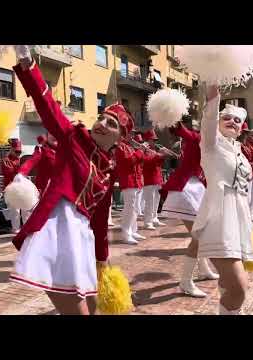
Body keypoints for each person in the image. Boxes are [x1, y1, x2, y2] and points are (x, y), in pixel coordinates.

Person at [9, 47, 132, 315]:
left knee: (92, 307)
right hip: (57, 231)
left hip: (81, 238)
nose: (101, 123)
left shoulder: (109, 169)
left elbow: (100, 219)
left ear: (120, 138)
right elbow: (48, 106)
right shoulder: (72, 138)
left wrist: (102, 259)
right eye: (101, 117)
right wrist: (28, 64)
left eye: (111, 124)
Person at [192, 84, 253, 315]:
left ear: (241, 129)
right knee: (239, 287)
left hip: (239, 224)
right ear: (217, 123)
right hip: (218, 221)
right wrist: (213, 92)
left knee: (230, 286)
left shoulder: (240, 151)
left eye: (237, 120)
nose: (231, 121)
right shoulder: (211, 145)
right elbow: (208, 119)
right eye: (225, 117)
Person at [162, 120, 219, 297]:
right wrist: (173, 118)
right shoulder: (198, 137)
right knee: (200, 236)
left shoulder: (216, 142)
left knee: (201, 235)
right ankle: (186, 282)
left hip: (197, 189)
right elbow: (182, 131)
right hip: (186, 189)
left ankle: (203, 269)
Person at [115, 131, 146, 245]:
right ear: (123, 134)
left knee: (135, 208)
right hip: (128, 182)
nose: (132, 136)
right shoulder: (121, 146)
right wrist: (141, 150)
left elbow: (139, 162)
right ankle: (126, 233)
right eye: (130, 134)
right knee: (129, 208)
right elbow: (130, 161)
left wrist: (142, 151)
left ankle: (133, 231)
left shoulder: (129, 147)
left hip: (135, 181)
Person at [141, 129, 168, 230]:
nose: (154, 142)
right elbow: (146, 162)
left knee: (156, 200)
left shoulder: (154, 151)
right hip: (149, 179)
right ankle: (147, 222)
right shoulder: (145, 150)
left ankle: (154, 218)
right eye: (152, 140)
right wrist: (158, 155)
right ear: (147, 140)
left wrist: (162, 156)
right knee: (149, 201)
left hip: (157, 179)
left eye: (154, 140)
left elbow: (158, 164)